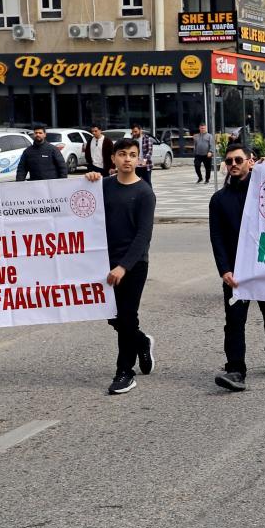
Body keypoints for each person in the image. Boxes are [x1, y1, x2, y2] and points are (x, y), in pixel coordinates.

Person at [210, 143, 265, 391]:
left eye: (239, 160)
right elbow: (217, 237)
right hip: (236, 272)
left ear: (250, 162)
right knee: (234, 321)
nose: (233, 165)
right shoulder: (219, 200)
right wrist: (224, 270)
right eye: (229, 161)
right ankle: (235, 370)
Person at [84, 139, 156, 395]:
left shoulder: (144, 192)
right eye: (122, 154)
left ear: (138, 160)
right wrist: (88, 179)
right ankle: (142, 341)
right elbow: (80, 204)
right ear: (113, 158)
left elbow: (143, 236)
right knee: (114, 317)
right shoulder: (102, 186)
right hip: (104, 262)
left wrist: (124, 267)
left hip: (134, 265)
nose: (127, 159)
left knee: (126, 315)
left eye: (132, 155)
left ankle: (125, 372)